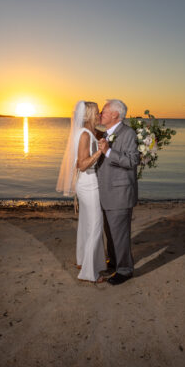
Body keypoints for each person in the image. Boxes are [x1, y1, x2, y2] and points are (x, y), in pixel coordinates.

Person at [56, 101, 107, 282]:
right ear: (89, 115)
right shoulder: (85, 135)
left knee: (87, 224)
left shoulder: (90, 132)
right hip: (89, 184)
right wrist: (100, 152)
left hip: (88, 183)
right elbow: (82, 164)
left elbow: (102, 135)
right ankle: (89, 273)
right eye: (98, 112)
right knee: (95, 226)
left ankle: (83, 260)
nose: (101, 114)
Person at [95, 99, 140, 285]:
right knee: (111, 233)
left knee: (120, 235)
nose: (100, 114)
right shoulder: (106, 133)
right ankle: (113, 264)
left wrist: (108, 151)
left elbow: (132, 161)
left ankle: (125, 270)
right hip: (106, 191)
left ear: (115, 114)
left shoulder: (127, 133)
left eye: (104, 111)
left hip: (120, 194)